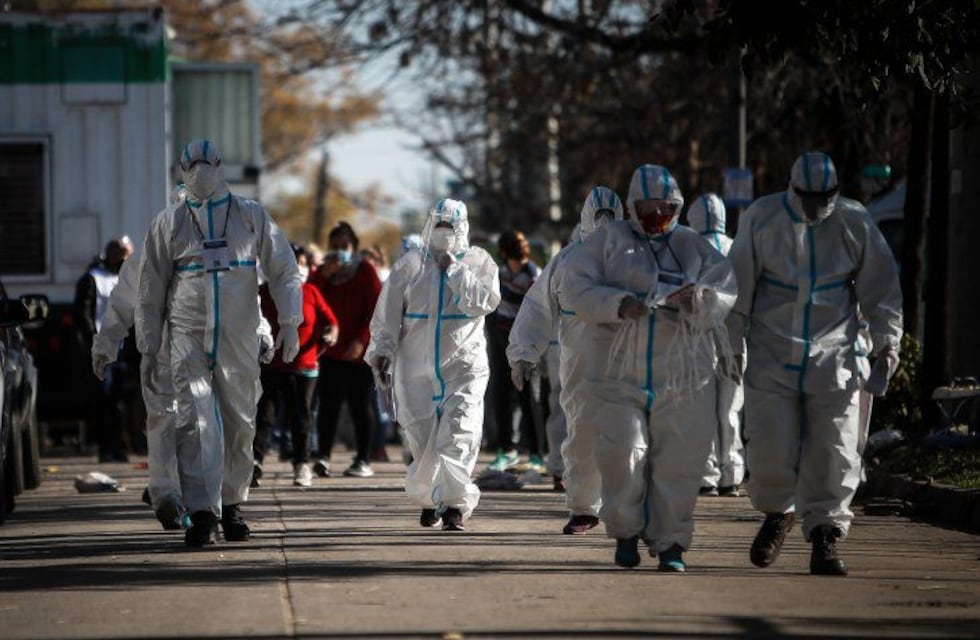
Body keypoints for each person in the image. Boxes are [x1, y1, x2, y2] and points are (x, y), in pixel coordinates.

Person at [728, 151, 903, 576]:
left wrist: (887, 343)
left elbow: (881, 287)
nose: (815, 207)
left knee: (835, 448)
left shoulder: (853, 221)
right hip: (772, 352)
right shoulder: (763, 218)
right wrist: (730, 343)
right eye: (808, 198)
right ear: (792, 190)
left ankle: (826, 532)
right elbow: (738, 285)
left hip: (835, 354)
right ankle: (779, 511)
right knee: (770, 444)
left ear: (835, 193)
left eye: (823, 198)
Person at [556, 164, 737, 571]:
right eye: (649, 208)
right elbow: (575, 286)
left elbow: (725, 287)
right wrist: (618, 304)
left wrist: (700, 300)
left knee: (679, 459)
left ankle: (671, 544)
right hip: (620, 370)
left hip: (681, 372)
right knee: (622, 452)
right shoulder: (607, 242)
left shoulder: (691, 245)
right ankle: (625, 531)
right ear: (633, 206)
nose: (658, 216)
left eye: (666, 208)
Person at [135, 139, 303, 547]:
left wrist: (290, 321)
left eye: (206, 163)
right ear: (182, 170)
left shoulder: (249, 215)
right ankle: (203, 514)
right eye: (192, 164)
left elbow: (283, 268)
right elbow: (150, 286)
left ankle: (232, 506)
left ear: (220, 166)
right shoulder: (169, 222)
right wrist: (149, 343)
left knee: (240, 421)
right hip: (187, 335)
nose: (200, 170)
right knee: (195, 423)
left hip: (238, 335)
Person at [366, 198, 500, 531]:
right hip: (414, 366)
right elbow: (387, 314)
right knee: (422, 438)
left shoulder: (478, 261)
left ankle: (453, 506)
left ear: (462, 227)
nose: (444, 231)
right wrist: (381, 351)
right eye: (439, 224)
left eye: (450, 225)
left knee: (459, 432)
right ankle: (431, 497)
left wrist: (455, 269)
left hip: (463, 365)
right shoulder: (410, 265)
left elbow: (484, 302)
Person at [507, 186, 624, 532]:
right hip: (580, 362)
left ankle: (629, 507)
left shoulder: (634, 256)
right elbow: (537, 307)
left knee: (630, 434)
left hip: (627, 360)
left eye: (611, 216)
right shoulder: (568, 261)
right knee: (582, 431)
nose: (604, 222)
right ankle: (585, 507)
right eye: (599, 216)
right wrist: (524, 353)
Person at [256, 244, 339, 488]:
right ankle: (255, 462)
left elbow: (331, 321)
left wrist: (329, 334)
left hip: (304, 365)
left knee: (300, 416)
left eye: (302, 263)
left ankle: (302, 464)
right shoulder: (264, 291)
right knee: (264, 416)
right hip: (271, 364)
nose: (298, 267)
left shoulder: (310, 291)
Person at [309, 221, 383, 478]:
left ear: (354, 247)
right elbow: (308, 298)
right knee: (328, 406)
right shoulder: (323, 272)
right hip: (330, 350)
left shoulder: (364, 271)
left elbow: (377, 310)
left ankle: (363, 458)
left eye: (345, 246)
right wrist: (323, 275)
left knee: (360, 406)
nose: (340, 250)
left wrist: (362, 340)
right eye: (335, 246)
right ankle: (323, 456)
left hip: (358, 352)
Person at [685, 194, 746, 497]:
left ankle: (706, 474)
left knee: (703, 406)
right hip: (733, 336)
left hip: (698, 337)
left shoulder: (689, 248)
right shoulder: (736, 247)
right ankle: (731, 473)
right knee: (730, 408)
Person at [486, 229, 544, 471]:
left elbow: (537, 307)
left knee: (528, 398)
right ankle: (506, 449)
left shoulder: (535, 275)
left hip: (526, 343)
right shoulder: (499, 274)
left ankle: (536, 453)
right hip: (501, 340)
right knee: (502, 396)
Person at [75, 236, 134, 462]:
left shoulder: (124, 278)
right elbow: (83, 313)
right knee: (104, 399)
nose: (127, 259)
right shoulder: (93, 279)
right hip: (103, 349)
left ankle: (118, 447)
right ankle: (105, 447)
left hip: (121, 348)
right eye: (124, 254)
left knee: (118, 401)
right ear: (114, 254)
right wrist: (95, 343)